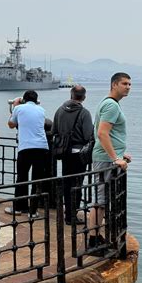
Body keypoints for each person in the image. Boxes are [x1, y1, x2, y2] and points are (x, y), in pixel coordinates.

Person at [88, 72, 131, 252]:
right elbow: (102, 133)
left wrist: (121, 154)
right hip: (105, 159)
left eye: (129, 84)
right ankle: (93, 240)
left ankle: (97, 237)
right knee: (100, 200)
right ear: (114, 84)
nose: (128, 87)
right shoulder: (111, 106)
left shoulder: (110, 104)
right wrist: (115, 158)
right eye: (124, 83)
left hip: (108, 157)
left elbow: (109, 134)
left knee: (102, 200)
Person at [52, 85, 93, 225]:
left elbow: (54, 130)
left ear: (71, 95)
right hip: (78, 153)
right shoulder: (84, 113)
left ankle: (67, 212)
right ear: (84, 97)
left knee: (67, 183)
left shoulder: (60, 110)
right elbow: (88, 135)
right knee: (77, 184)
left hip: (63, 153)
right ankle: (71, 216)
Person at [4, 90, 49, 218]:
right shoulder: (41, 110)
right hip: (42, 147)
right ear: (36, 100)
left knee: (22, 178)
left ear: (24, 99)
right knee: (37, 179)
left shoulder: (18, 108)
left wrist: (14, 107)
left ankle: (19, 207)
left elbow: (11, 124)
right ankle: (33, 211)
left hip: (25, 148)